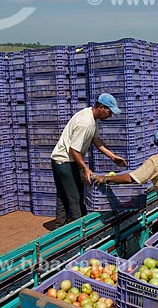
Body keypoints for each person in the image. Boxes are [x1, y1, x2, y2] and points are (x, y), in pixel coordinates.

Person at [51, 93, 127, 229]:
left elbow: (96, 140)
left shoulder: (92, 117)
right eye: (109, 112)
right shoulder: (85, 123)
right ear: (101, 107)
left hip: (65, 160)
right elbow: (73, 149)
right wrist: (85, 169)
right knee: (76, 198)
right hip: (64, 161)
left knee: (63, 196)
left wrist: (113, 156)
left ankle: (59, 228)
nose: (110, 115)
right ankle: (80, 232)